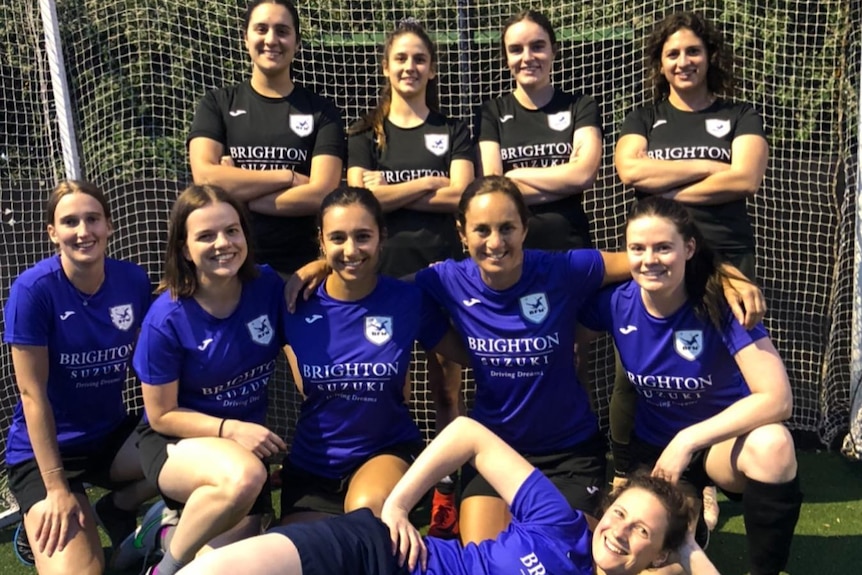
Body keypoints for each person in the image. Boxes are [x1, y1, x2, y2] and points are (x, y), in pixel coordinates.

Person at [287, 176, 763, 546]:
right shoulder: (441, 280)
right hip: (493, 451)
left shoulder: (563, 268)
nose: (496, 241)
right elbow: (362, 276)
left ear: (525, 228)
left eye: (507, 228)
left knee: (570, 556)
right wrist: (320, 265)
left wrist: (723, 275)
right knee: (492, 560)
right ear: (462, 233)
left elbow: (648, 260)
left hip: (569, 453)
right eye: (482, 230)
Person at [177, 416, 720, 575]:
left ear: (660, 556)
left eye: (640, 531)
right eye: (621, 514)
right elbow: (466, 433)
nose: (618, 532)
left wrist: (682, 542)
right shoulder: (562, 522)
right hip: (384, 556)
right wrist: (394, 506)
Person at [580, 196, 801, 575]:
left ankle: (766, 569)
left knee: (774, 445)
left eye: (664, 247)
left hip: (720, 447)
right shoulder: (617, 303)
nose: (650, 259)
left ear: (689, 248)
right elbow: (565, 336)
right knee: (650, 564)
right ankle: (690, 525)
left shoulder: (720, 299)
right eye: (638, 248)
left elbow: (778, 398)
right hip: (656, 453)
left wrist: (688, 440)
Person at [612, 11, 770, 531]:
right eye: (673, 53)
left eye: (693, 51)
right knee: (639, 370)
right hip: (661, 257)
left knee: (719, 373)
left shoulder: (740, 114)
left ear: (710, 57)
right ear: (660, 63)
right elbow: (630, 169)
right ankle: (628, 473)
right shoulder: (643, 117)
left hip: (725, 264)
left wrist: (668, 191)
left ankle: (710, 478)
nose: (684, 61)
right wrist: (709, 169)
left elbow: (746, 176)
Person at [346, 19, 474, 538]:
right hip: (385, 280)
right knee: (387, 389)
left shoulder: (456, 129)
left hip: (444, 279)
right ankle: (392, 492)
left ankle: (447, 493)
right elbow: (360, 201)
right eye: (400, 58)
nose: (410, 67)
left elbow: (463, 196)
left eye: (419, 59)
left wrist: (391, 188)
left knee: (447, 393)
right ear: (386, 66)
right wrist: (428, 180)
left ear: (433, 67)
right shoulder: (364, 135)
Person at [121, 184, 290, 575]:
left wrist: (314, 268)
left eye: (232, 230)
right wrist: (230, 429)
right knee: (245, 478)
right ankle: (163, 568)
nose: (223, 243)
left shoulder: (266, 286)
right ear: (184, 249)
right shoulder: (165, 319)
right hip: (176, 443)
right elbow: (161, 416)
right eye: (206, 235)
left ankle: (160, 529)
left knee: (222, 564)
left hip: (242, 450)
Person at [279, 186, 468, 528]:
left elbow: (471, 355)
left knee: (365, 519)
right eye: (338, 238)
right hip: (312, 467)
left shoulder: (409, 300)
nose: (351, 250)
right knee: (304, 557)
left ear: (382, 237)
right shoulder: (292, 301)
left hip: (385, 452)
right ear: (321, 241)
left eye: (362, 236)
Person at [3, 180, 156, 574]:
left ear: (109, 226)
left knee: (196, 455)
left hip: (109, 439)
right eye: (70, 221)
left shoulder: (132, 281)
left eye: (93, 219)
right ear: (53, 232)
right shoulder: (33, 291)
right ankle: (37, 517)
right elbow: (31, 395)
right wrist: (55, 489)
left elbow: (149, 357)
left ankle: (117, 506)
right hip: (44, 454)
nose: (83, 231)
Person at [188, 0, 344, 276]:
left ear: (296, 43)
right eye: (261, 29)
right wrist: (288, 177)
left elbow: (322, 194)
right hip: (230, 271)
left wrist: (238, 191)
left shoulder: (323, 111)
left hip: (301, 273)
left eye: (282, 31)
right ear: (245, 38)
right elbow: (206, 179)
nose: (271, 39)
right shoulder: (217, 104)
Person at [478, 10, 602, 251]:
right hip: (511, 252)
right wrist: (563, 179)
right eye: (516, 49)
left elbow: (583, 175)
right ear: (506, 59)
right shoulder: (490, 112)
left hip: (571, 248)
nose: (527, 57)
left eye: (537, 46)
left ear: (553, 51)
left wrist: (514, 176)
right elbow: (494, 188)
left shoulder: (581, 106)